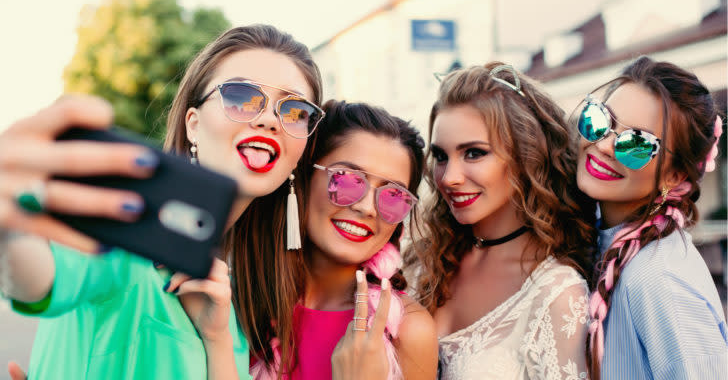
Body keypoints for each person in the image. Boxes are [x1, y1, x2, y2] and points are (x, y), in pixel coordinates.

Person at [0, 24, 324, 379]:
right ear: (193, 124)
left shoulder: (233, 305)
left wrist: (215, 337)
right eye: (240, 96)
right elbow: (39, 277)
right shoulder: (124, 227)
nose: (268, 119)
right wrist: (11, 227)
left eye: (294, 111)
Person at [404, 63, 596, 379]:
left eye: (474, 153)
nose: (449, 178)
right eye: (441, 156)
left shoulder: (556, 294)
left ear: (525, 156)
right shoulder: (423, 261)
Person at [248, 100, 439, 379]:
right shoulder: (244, 299)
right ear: (302, 177)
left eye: (393, 196)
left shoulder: (409, 331)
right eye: (347, 179)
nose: (367, 207)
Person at [576, 56, 727, 379]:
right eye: (600, 120)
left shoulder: (660, 277)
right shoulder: (601, 243)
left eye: (636, 143)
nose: (603, 145)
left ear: (673, 176)